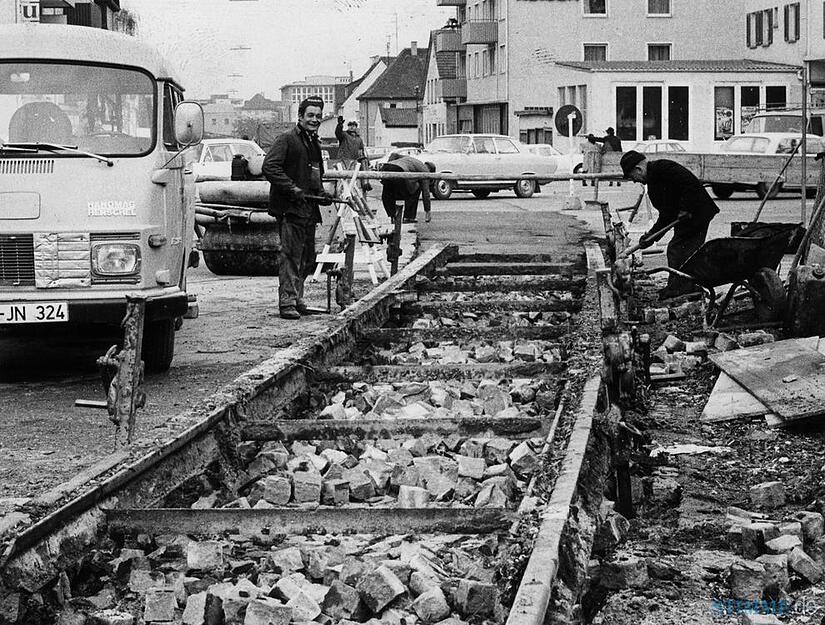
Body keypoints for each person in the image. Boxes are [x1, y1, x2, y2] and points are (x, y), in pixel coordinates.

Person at [262, 95, 333, 320]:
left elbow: (314, 176)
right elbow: (270, 167)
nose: (314, 119)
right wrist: (292, 188)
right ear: (300, 117)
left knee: (307, 257)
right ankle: (287, 302)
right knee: (291, 255)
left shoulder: (313, 143)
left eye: (318, 116)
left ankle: (298, 298)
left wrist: (322, 195)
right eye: (310, 115)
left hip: (309, 209)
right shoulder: (287, 139)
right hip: (290, 209)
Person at [620, 150, 719, 301]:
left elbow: (690, 184)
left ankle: (681, 289)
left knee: (678, 249)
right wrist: (651, 237)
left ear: (638, 169)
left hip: (697, 214)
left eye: (631, 176)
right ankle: (681, 287)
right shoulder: (654, 183)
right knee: (680, 250)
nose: (634, 181)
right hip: (686, 218)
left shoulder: (664, 168)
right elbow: (666, 216)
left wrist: (685, 207)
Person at [380, 154, 434, 223]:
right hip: (400, 170)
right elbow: (426, 192)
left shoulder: (410, 159)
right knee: (415, 190)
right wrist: (428, 211)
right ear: (430, 170)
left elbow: (393, 154)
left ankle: (393, 216)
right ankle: (409, 217)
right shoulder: (425, 171)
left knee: (388, 193)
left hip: (386, 167)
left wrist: (390, 165)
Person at [335, 116, 372, 193]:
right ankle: (340, 193)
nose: (352, 127)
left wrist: (366, 160)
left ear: (356, 127)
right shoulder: (344, 135)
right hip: (344, 160)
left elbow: (362, 150)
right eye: (350, 125)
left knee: (353, 180)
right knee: (342, 179)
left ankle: (362, 187)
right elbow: (338, 133)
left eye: (354, 125)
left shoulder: (359, 139)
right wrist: (339, 125)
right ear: (348, 126)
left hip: (354, 161)